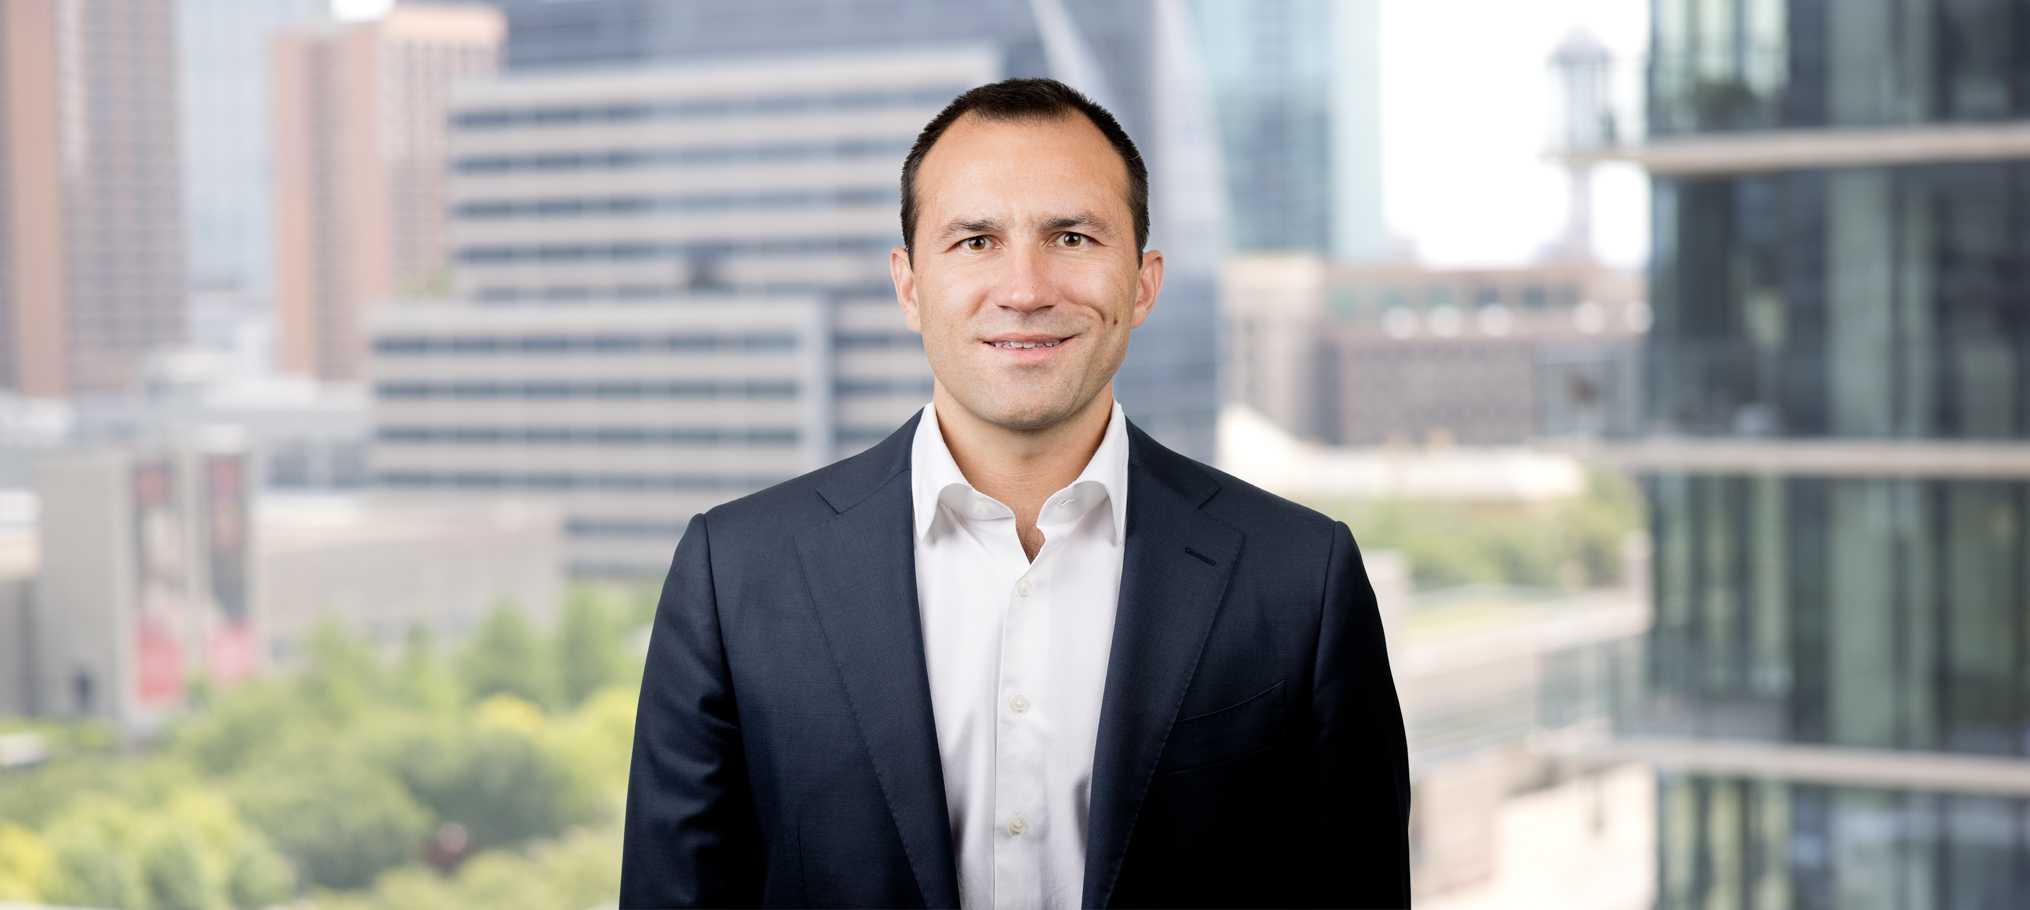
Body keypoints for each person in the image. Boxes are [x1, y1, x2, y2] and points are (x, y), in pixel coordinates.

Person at [620, 77, 1409, 909]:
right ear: (909, 285)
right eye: (976, 241)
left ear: (1143, 283)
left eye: (1071, 237)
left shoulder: (1300, 578)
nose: (1026, 289)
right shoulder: (736, 574)